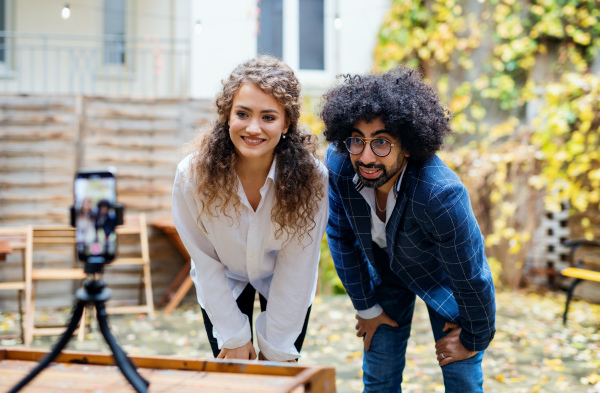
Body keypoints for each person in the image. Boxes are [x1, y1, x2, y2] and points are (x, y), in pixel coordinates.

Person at [320, 67, 496, 392]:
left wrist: (474, 339)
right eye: (357, 140)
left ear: (410, 145)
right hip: (386, 274)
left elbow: (472, 277)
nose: (367, 156)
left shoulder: (440, 194)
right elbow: (340, 236)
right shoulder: (340, 163)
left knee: (462, 381)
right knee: (378, 378)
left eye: (382, 142)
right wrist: (366, 307)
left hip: (445, 280)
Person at [172, 56, 328, 362]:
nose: (253, 128)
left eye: (268, 117)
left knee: (278, 374)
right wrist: (233, 336)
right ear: (227, 115)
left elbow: (298, 266)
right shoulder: (191, 176)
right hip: (224, 279)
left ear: (286, 123)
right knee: (234, 378)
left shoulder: (314, 179)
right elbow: (204, 260)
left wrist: (276, 347)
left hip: (285, 281)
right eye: (243, 113)